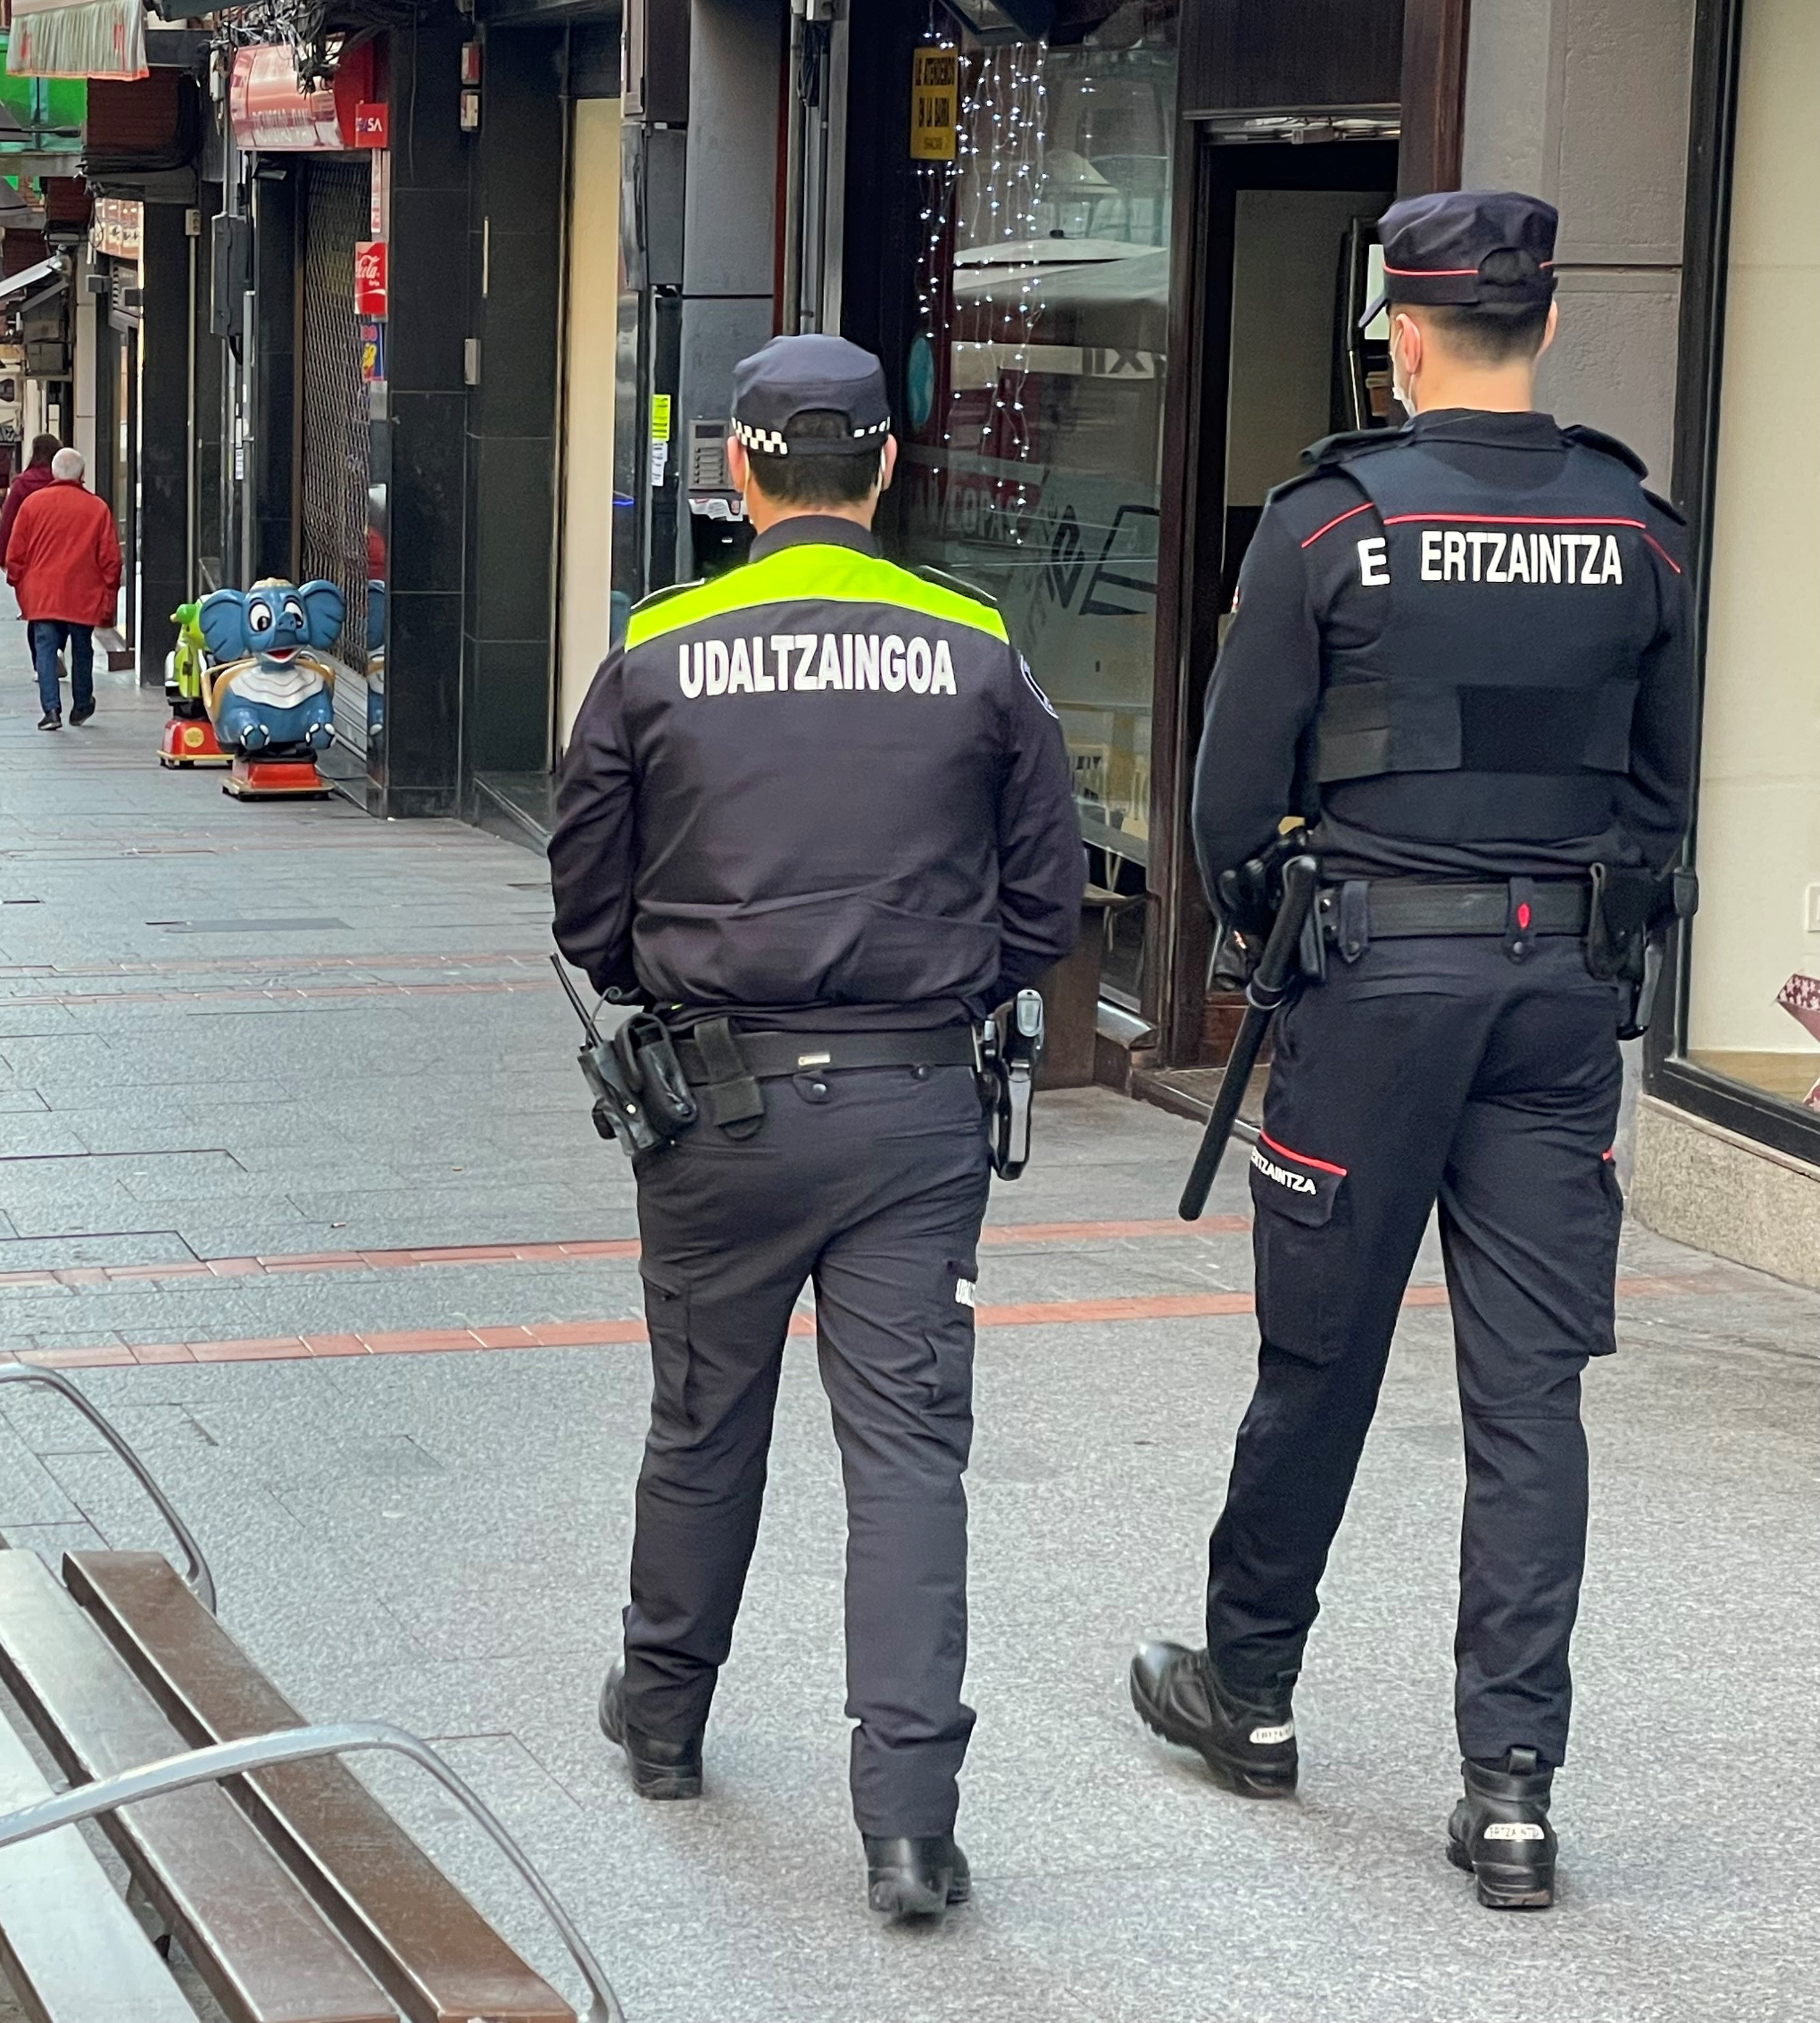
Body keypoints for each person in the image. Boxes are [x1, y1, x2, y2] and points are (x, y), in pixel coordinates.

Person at [1127, 192, 1696, 1912]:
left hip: (1374, 990)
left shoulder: (1326, 527)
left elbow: (1230, 798)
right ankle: (1512, 1786)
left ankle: (1253, 1685)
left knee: (1321, 1360)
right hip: (1553, 999)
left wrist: (1274, 936)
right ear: (1539, 326)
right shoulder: (1642, 530)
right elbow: (1661, 802)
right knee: (1528, 1396)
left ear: (1404, 330)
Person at [550, 335, 1084, 1923]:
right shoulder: (977, 646)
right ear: (885, 467)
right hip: (916, 1097)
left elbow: (585, 904)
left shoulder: (656, 646)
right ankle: (909, 1825)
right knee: (909, 1454)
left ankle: (660, 1720)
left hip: (715, 1097)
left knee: (703, 1417)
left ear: (739, 470)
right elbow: (1046, 899)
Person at [4, 446, 119, 730]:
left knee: (45, 649)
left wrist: (17, 582)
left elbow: (15, 553)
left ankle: (51, 710)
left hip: (43, 593)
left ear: (54, 473)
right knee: (82, 648)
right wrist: (109, 594)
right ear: (82, 474)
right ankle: (81, 705)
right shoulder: (97, 508)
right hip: (83, 593)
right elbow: (111, 559)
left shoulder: (33, 504)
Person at [0, 432, 61, 614]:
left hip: (29, 554)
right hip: (60, 551)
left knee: (36, 608)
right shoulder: (64, 482)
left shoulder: (22, 484)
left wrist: (2, 556)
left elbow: (7, 521)